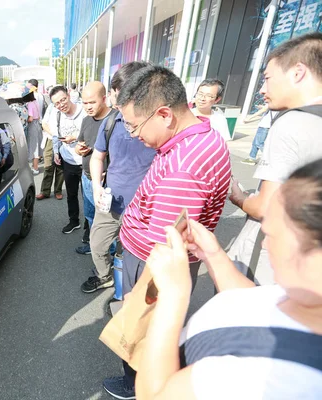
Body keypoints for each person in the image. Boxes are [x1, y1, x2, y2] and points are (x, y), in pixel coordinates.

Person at [134, 158, 322, 400]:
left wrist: (173, 297)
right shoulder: (303, 295)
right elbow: (254, 302)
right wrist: (214, 256)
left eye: (272, 234)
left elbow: (152, 395)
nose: (264, 243)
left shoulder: (266, 378)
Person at [102, 66, 231, 399]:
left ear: (164, 114)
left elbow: (164, 250)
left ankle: (138, 384)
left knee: (146, 329)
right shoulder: (203, 134)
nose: (132, 135)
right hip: (160, 255)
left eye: (134, 125)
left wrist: (144, 290)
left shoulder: (181, 169)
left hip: (149, 262)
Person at [228, 32, 322, 285]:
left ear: (297, 73)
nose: (262, 89)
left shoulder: (293, 123)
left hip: (271, 263)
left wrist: (239, 197)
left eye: (267, 79)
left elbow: (265, 207)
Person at [79, 63, 156, 286]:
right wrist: (96, 188)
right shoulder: (112, 122)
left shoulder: (159, 125)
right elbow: (97, 157)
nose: (117, 100)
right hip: (111, 202)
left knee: (137, 259)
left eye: (121, 94)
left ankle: (131, 293)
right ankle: (104, 276)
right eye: (116, 93)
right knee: (97, 244)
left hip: (145, 210)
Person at [73, 81, 119, 254]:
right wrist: (79, 148)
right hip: (87, 177)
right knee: (91, 216)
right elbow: (80, 143)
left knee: (107, 222)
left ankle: (110, 255)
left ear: (104, 98)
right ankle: (96, 247)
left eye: (92, 102)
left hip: (107, 181)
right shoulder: (86, 120)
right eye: (84, 103)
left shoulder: (117, 119)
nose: (88, 107)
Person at [49, 86, 87, 234]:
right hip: (68, 160)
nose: (61, 104)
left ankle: (89, 227)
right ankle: (74, 221)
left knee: (88, 197)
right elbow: (55, 135)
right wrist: (56, 152)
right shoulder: (57, 115)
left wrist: (75, 137)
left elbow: (91, 133)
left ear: (69, 95)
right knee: (71, 194)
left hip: (85, 161)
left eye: (63, 99)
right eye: (57, 103)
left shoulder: (84, 112)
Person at [36, 101, 64, 201]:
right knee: (48, 166)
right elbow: (44, 123)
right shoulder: (51, 107)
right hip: (50, 139)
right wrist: (54, 134)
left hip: (63, 140)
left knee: (60, 167)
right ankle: (45, 191)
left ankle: (58, 190)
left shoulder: (67, 107)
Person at [26, 89, 42, 175]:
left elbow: (31, 118)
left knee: (34, 147)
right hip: (37, 124)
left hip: (32, 125)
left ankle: (35, 168)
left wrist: (25, 119)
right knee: (36, 145)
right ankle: (34, 166)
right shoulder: (35, 102)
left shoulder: (29, 104)